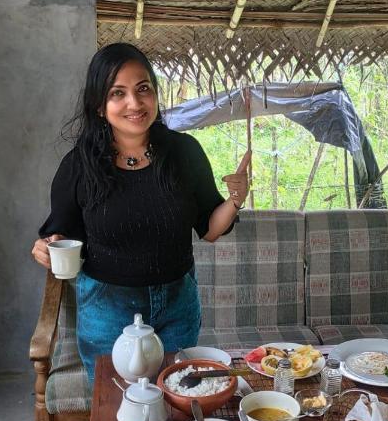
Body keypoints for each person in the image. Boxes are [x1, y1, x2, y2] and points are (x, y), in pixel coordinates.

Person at [31, 42, 249, 382]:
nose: (134, 103)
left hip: (178, 304)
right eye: (118, 93)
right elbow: (60, 238)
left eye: (143, 88)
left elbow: (209, 228)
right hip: (107, 309)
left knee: (177, 403)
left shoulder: (184, 152)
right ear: (100, 106)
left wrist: (236, 199)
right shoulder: (79, 166)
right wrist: (46, 248)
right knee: (116, 413)